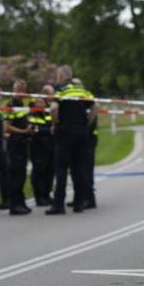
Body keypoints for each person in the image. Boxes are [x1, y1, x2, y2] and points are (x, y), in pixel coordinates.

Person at [48, 67, 96, 215]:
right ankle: (79, 203)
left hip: (65, 131)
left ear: (62, 76)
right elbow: (95, 106)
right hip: (82, 132)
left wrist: (55, 123)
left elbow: (54, 108)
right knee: (79, 167)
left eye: (57, 75)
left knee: (61, 168)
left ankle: (59, 205)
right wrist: (86, 123)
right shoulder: (81, 90)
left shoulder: (60, 89)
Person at [3, 79, 34, 215]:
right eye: (17, 89)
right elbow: (7, 127)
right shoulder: (11, 104)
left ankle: (21, 202)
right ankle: (14, 205)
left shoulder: (22, 104)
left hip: (23, 143)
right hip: (14, 144)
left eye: (22, 90)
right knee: (15, 175)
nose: (19, 92)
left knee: (21, 175)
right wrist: (24, 131)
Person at [28, 85, 55, 208]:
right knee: (39, 172)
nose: (40, 104)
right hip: (37, 147)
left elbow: (53, 126)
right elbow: (35, 130)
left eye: (42, 102)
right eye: (38, 102)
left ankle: (47, 194)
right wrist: (48, 130)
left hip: (49, 146)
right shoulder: (32, 114)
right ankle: (39, 197)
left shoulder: (48, 113)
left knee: (49, 171)